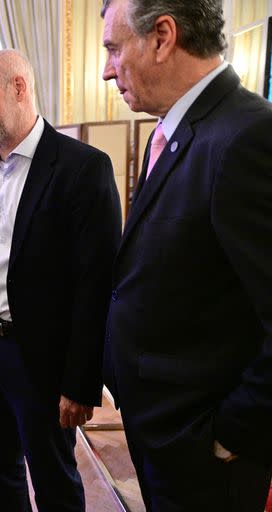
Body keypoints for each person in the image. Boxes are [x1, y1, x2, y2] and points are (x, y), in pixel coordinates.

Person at [0, 50, 121, 512]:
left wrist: (80, 381)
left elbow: (96, 286)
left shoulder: (82, 167)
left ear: (18, 88)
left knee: (54, 479)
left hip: (41, 360)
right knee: (0, 471)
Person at [100, 1, 272, 510]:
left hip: (203, 449)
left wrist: (230, 436)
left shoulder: (247, 136)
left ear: (162, 37)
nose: (107, 70)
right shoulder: (177, 130)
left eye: (113, 48)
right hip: (163, 429)